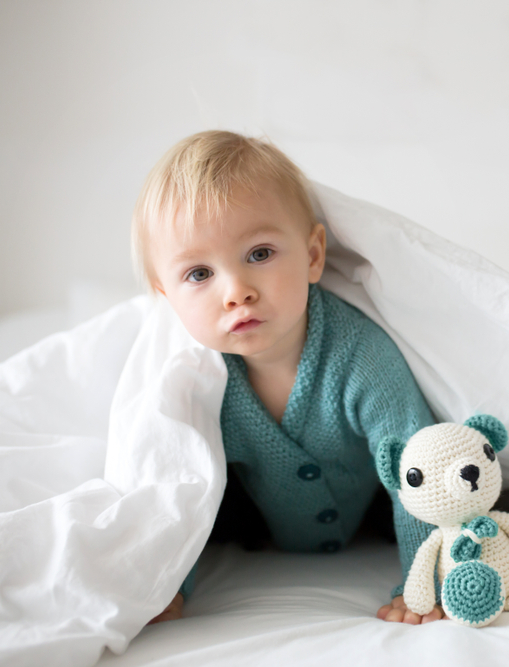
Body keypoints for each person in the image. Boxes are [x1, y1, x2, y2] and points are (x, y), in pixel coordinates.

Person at [132, 130, 443, 625]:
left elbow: (420, 468)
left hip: (374, 518)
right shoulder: (197, 378)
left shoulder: (361, 357)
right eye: (198, 274)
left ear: (314, 255)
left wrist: (425, 582)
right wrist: (166, 584)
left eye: (259, 254)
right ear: (166, 298)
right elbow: (174, 480)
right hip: (247, 520)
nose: (235, 291)